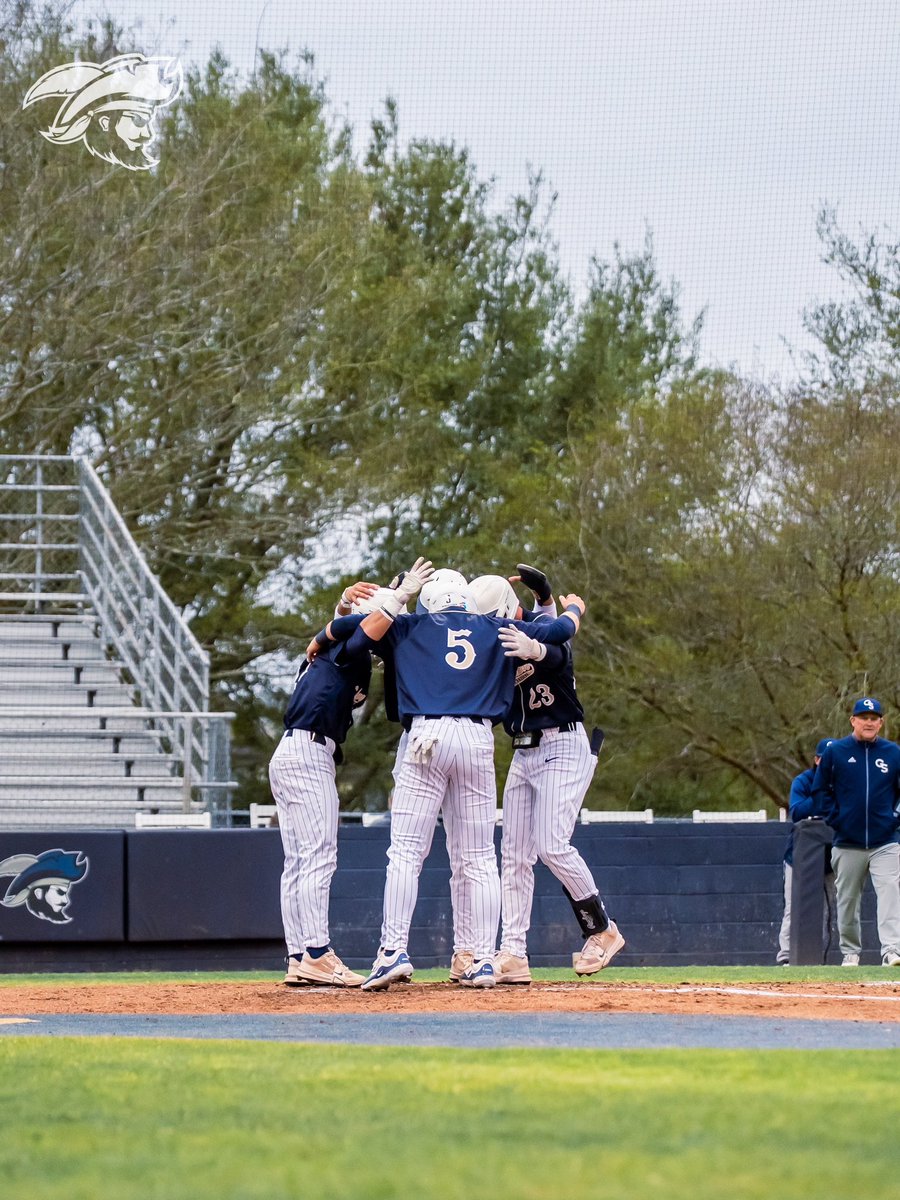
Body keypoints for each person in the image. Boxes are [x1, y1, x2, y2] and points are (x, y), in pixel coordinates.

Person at [336, 562, 585, 990]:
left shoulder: (409, 624)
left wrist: (395, 594)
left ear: (429, 597)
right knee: (480, 859)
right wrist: (571, 609)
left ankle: (393, 950)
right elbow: (559, 634)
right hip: (476, 739)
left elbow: (354, 637)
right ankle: (484, 959)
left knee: (406, 854)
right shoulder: (495, 628)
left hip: (426, 736)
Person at [468, 566, 624, 983]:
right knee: (514, 856)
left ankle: (603, 930)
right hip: (524, 752)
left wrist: (540, 638)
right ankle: (513, 953)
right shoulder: (489, 646)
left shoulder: (538, 626)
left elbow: (559, 651)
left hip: (563, 744)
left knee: (552, 844)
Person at [268, 578, 394, 988]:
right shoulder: (345, 649)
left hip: (292, 752)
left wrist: (341, 611)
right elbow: (355, 630)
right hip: (308, 753)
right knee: (319, 857)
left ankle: (298, 955)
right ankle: (318, 954)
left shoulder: (332, 652)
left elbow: (345, 629)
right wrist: (392, 600)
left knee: (299, 863)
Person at [811, 697, 900, 967]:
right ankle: (850, 952)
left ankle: (891, 950)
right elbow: (820, 791)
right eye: (864, 717)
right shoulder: (836, 752)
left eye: (874, 718)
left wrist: (894, 818)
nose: (869, 722)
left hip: (885, 840)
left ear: (881, 722)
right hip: (847, 841)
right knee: (847, 900)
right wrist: (836, 819)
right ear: (853, 721)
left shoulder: (893, 752)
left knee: (890, 892)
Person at [775, 738, 836, 965]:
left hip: (832, 856)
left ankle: (817, 959)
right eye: (825, 760)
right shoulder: (804, 781)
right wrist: (821, 791)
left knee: (826, 910)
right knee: (794, 907)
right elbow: (797, 812)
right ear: (817, 760)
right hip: (799, 857)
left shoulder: (844, 781)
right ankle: (786, 957)